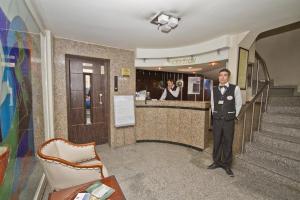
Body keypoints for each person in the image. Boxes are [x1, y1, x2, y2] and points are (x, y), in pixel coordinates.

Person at [207, 68, 242, 177]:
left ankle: (227, 164)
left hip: (228, 121)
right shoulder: (214, 89)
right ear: (218, 77)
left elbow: (239, 103)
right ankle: (216, 161)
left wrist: (233, 115)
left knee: (228, 142)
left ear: (228, 77)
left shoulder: (235, 88)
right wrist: (215, 113)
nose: (222, 77)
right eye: (220, 75)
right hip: (217, 120)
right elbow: (212, 103)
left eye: (225, 75)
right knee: (216, 141)